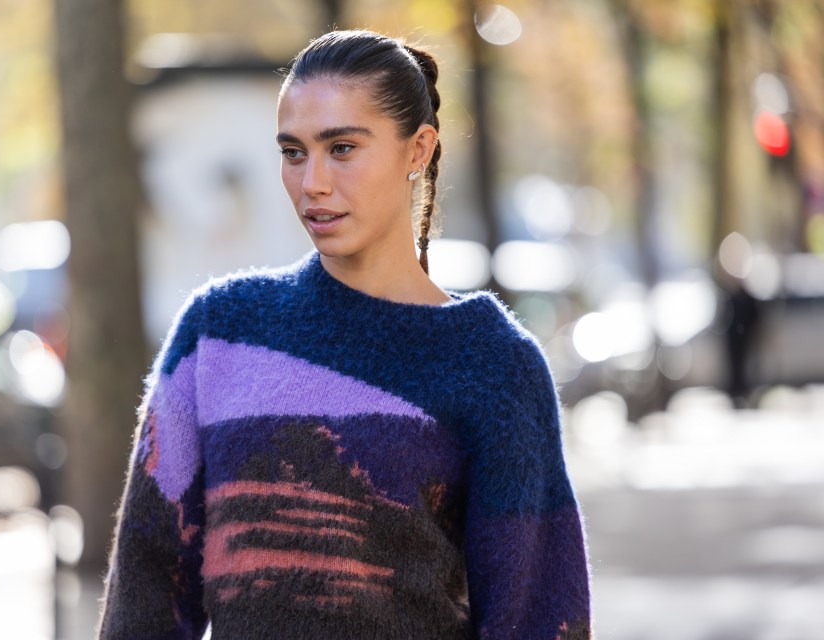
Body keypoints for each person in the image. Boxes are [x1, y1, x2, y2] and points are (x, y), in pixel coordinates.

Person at [97, 29, 591, 640]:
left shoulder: (494, 364)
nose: (313, 182)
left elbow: (539, 618)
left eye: (342, 148)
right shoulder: (219, 332)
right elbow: (144, 595)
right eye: (293, 152)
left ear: (418, 150)